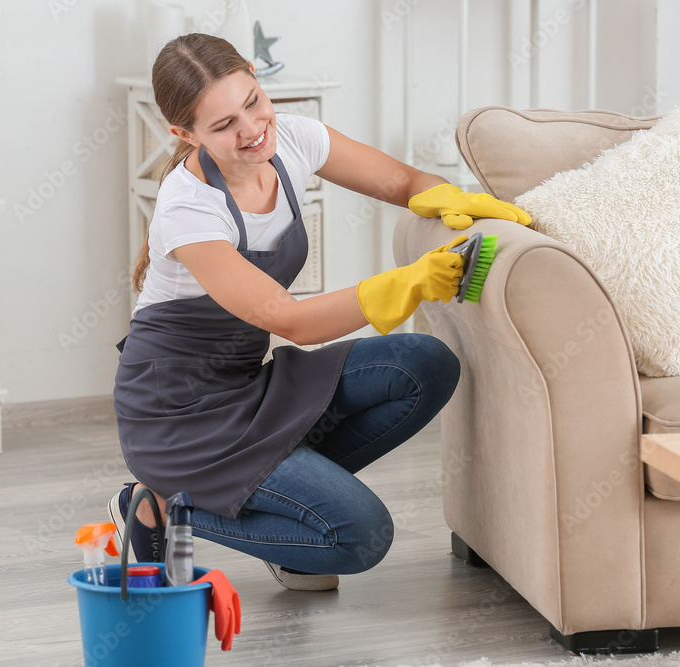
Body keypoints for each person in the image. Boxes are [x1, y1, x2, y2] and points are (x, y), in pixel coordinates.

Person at [109, 33, 529, 591]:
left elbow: (402, 182)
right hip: (180, 418)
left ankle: (288, 521)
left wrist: (443, 195)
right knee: (361, 535)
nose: (252, 129)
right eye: (223, 125)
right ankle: (156, 506)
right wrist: (406, 285)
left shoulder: (295, 142)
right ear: (184, 135)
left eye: (252, 102)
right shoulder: (188, 210)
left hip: (246, 386)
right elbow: (291, 321)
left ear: (258, 80)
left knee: (425, 363)